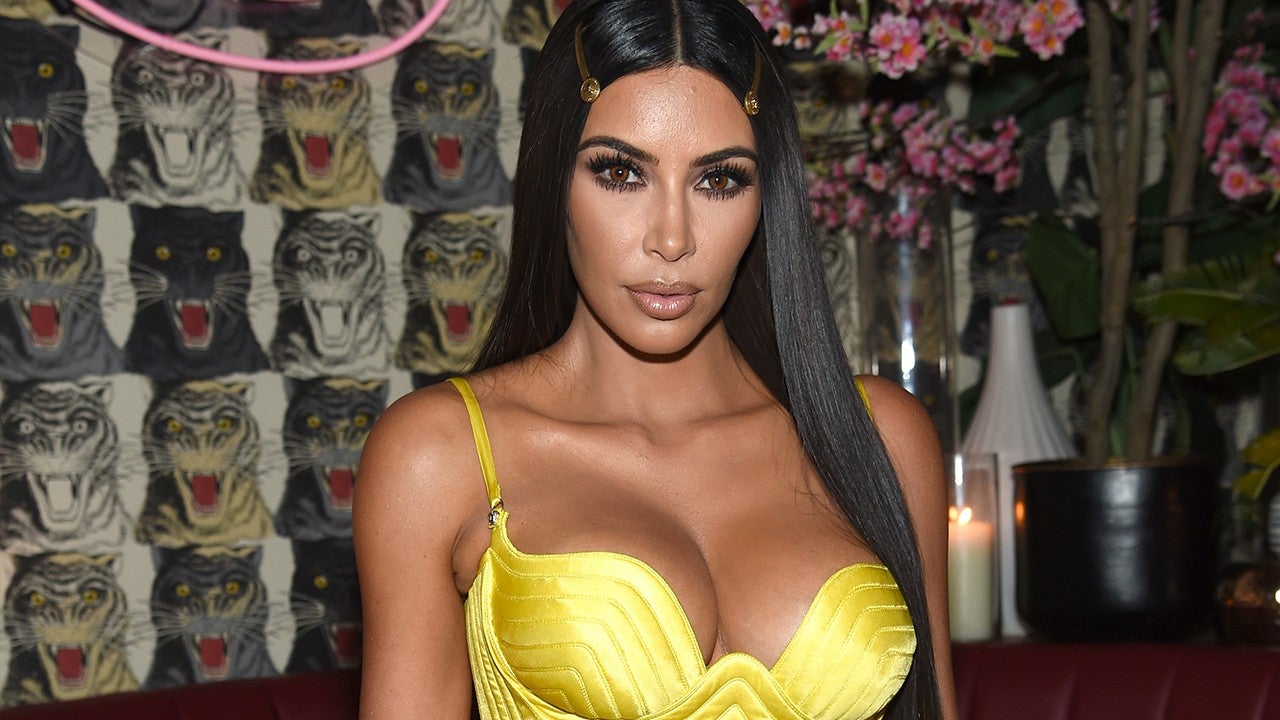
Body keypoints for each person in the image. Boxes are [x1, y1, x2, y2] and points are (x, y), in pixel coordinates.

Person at [353, 0, 957, 718]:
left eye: (719, 180)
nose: (672, 239)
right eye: (620, 172)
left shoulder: (879, 437)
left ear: (767, 195)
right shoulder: (438, 455)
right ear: (553, 177)